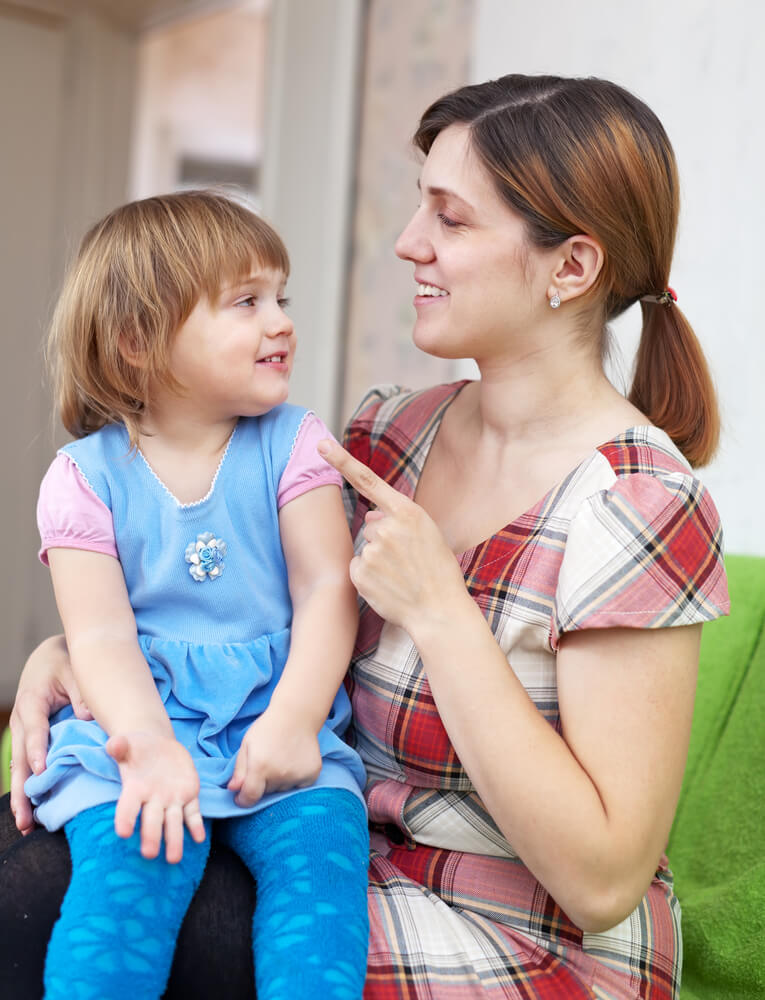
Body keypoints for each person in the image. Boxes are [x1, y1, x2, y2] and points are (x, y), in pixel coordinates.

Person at [2, 74, 730, 999]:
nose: (407, 243)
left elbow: (600, 881)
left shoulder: (639, 501)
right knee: (34, 849)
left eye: (450, 219)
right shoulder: (385, 435)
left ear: (571, 268)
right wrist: (67, 653)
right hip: (345, 848)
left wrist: (440, 610)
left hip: (516, 935)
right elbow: (254, 609)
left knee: (41, 898)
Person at [6, 191, 370, 1000]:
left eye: (280, 297)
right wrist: (148, 745)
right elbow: (98, 640)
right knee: (120, 907)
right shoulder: (83, 479)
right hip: (142, 726)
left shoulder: (296, 443)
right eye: (246, 302)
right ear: (137, 342)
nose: (280, 321)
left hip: (279, 724)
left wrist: (294, 722)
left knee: (320, 913)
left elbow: (324, 591)